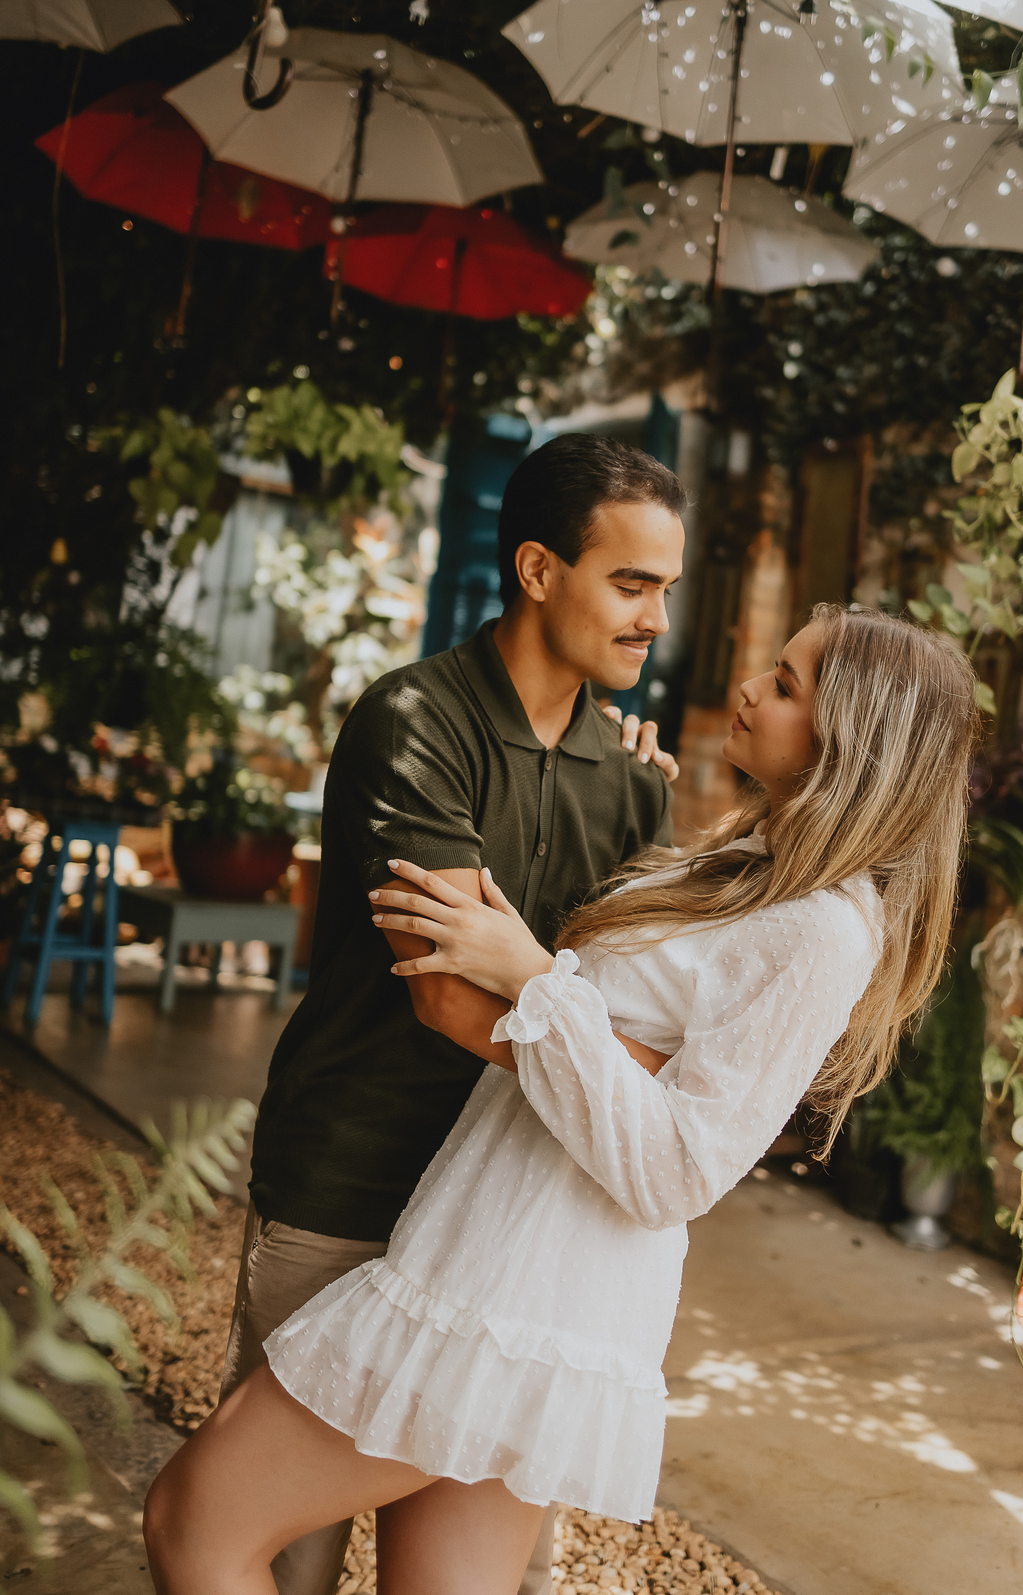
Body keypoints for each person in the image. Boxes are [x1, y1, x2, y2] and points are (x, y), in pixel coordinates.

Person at [145, 604, 979, 1595]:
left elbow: (679, 1170)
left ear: (853, 746)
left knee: (194, 1522)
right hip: (495, 1260)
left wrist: (534, 977)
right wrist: (618, 799)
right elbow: (640, 1029)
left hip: (524, 1289)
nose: (751, 687)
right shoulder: (747, 864)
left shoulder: (824, 932)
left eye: (787, 685)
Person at [217, 433, 688, 1595]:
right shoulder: (417, 720)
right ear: (538, 571)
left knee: (478, 1574)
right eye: (632, 584)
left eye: (666, 591)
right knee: (277, 1555)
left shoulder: (636, 783)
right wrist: (608, 1073)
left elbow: (647, 1011)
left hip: (506, 1230)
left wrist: (607, 1051)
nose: (656, 621)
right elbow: (441, 989)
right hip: (354, 1191)